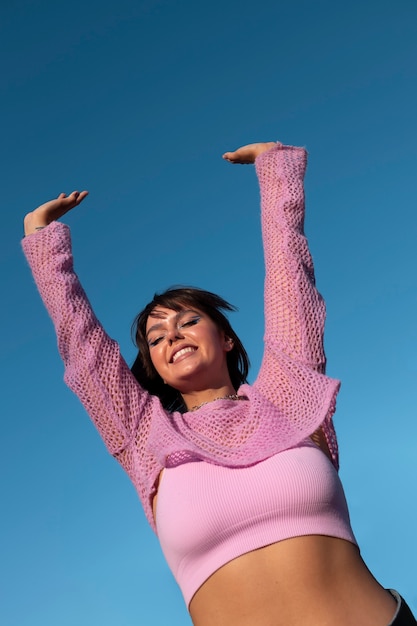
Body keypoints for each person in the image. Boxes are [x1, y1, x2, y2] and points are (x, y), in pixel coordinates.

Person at [22, 142, 416, 625]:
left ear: (226, 338)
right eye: (156, 337)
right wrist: (41, 239)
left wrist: (276, 170)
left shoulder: (289, 397)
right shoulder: (145, 435)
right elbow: (84, 350)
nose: (172, 337)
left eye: (187, 322)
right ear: (154, 365)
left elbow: (292, 280)